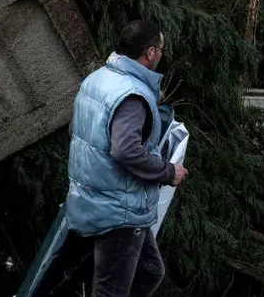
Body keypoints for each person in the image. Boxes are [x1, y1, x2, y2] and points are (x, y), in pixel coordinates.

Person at [63, 20, 187, 297]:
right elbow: (125, 150)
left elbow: (77, 130)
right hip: (119, 211)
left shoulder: (96, 79)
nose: (161, 56)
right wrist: (168, 171)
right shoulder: (132, 95)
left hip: (95, 200)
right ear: (150, 52)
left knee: (149, 271)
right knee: (112, 292)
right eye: (161, 50)